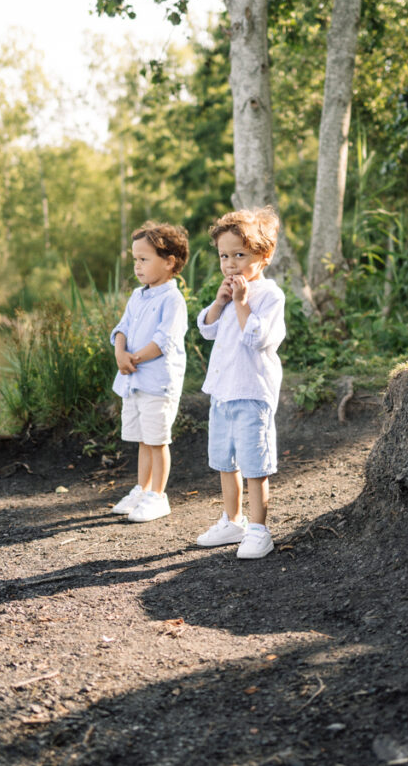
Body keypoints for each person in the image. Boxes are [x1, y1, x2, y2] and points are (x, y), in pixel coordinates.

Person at [196, 206, 286, 558]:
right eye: (223, 256)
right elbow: (207, 329)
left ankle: (259, 529)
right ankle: (233, 521)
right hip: (222, 391)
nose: (230, 263)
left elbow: (259, 339)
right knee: (225, 460)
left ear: (264, 256)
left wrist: (242, 303)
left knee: (255, 463)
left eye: (239, 255)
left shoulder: (269, 295)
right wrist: (220, 302)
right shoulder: (229, 292)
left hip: (251, 392)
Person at [110, 221, 189, 523]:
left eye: (144, 259)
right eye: (135, 260)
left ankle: (159, 495)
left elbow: (164, 340)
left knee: (158, 441)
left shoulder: (172, 300)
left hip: (157, 383)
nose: (138, 266)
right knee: (144, 440)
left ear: (169, 262)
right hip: (134, 381)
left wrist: (134, 359)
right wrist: (120, 352)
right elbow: (123, 328)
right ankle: (142, 489)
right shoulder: (138, 296)